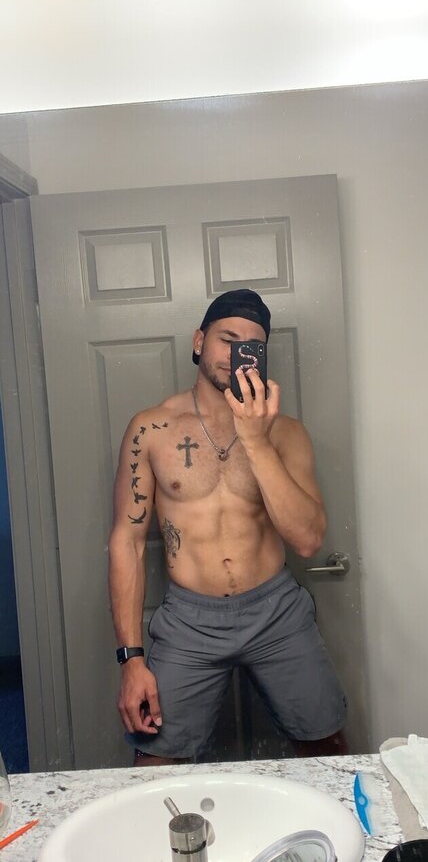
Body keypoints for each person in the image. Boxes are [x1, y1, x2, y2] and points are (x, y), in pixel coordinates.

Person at [108, 288, 347, 766]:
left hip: (277, 612)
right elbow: (127, 543)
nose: (237, 353)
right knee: (155, 766)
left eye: (252, 345)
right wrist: (131, 660)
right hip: (189, 620)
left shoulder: (286, 433)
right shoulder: (151, 430)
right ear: (199, 341)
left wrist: (255, 441)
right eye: (227, 339)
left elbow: (307, 539)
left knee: (329, 753)